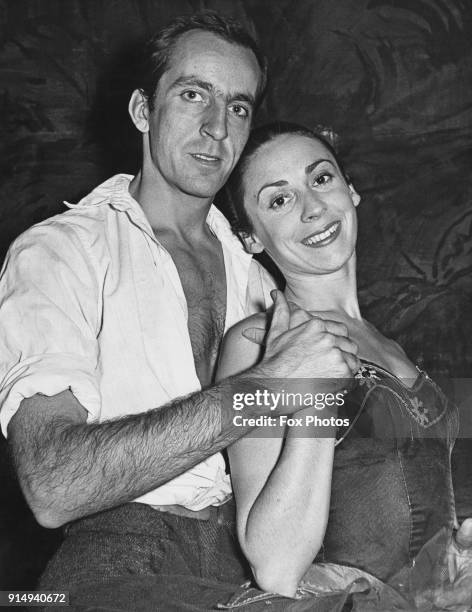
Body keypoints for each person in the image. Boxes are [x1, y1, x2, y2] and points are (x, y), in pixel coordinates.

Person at [0, 13, 360, 610]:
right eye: (194, 94)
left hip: (257, 566)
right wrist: (267, 385)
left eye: (239, 107)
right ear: (144, 111)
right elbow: (53, 484)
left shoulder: (263, 268)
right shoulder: (60, 252)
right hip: (119, 558)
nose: (217, 127)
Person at [217, 121, 472, 610]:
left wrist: (450, 567)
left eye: (321, 178)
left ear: (351, 190)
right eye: (279, 200)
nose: (313, 208)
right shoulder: (254, 345)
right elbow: (276, 563)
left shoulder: (389, 343)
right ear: (250, 239)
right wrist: (315, 395)